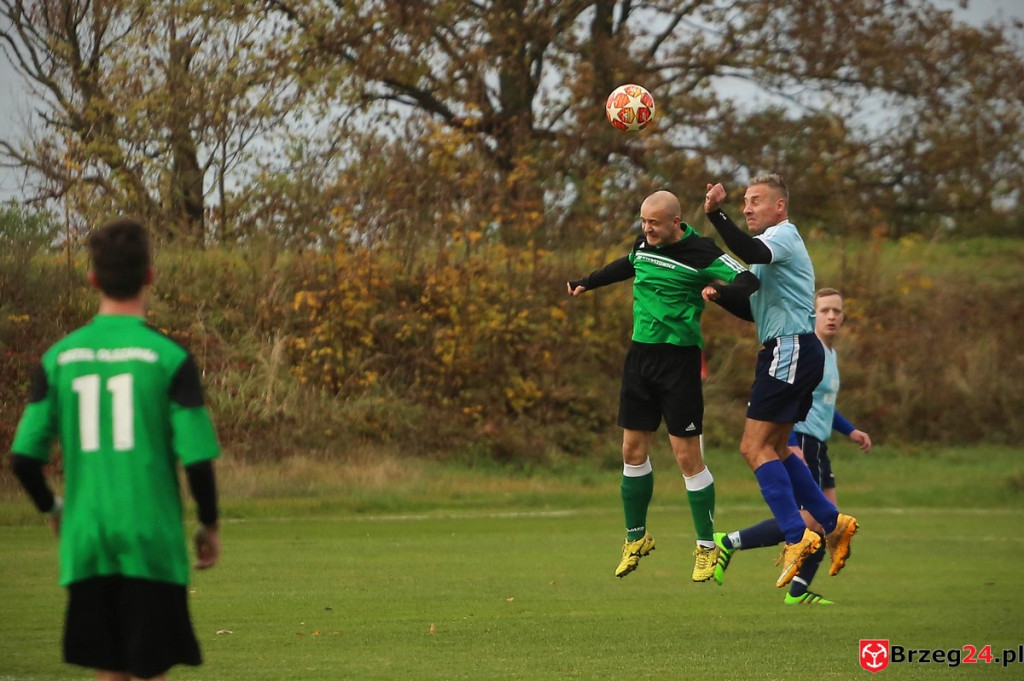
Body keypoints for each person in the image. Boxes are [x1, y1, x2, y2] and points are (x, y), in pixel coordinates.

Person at [9, 217, 222, 681]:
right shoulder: (169, 360)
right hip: (151, 539)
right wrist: (208, 523)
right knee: (150, 671)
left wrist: (54, 508)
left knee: (111, 673)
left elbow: (24, 460)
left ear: (92, 279)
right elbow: (199, 460)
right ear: (150, 275)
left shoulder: (59, 358)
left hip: (88, 542)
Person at [567, 189, 759, 582]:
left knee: (686, 456)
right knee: (632, 450)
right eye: (643, 221)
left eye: (653, 223)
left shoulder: (702, 251)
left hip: (679, 362)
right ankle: (636, 538)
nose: (646, 229)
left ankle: (707, 546)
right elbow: (630, 263)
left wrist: (719, 291)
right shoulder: (645, 244)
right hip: (640, 359)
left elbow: (748, 281)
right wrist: (587, 282)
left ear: (675, 222)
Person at [702, 174, 858, 589]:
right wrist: (719, 294)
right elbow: (755, 311)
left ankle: (796, 536)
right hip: (795, 349)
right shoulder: (770, 251)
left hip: (788, 349)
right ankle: (831, 523)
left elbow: (748, 248)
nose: (748, 207)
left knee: (752, 447)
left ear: (780, 207)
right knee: (776, 446)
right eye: (745, 202)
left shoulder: (782, 236)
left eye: (755, 201)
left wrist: (716, 214)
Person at [712, 288, 873, 604]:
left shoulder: (829, 354)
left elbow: (822, 404)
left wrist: (849, 430)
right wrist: (788, 444)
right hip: (799, 440)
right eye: (824, 310)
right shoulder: (802, 349)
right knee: (812, 523)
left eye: (837, 311)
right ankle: (732, 542)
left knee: (828, 521)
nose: (831, 316)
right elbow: (779, 400)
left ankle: (797, 588)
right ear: (811, 313)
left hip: (819, 445)